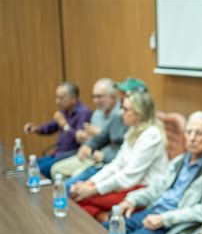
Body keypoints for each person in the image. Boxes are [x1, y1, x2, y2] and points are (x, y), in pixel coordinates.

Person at [103, 111, 202, 234]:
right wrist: (132, 199)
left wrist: (165, 219)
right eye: (189, 132)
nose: (192, 138)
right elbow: (157, 188)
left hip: (174, 225)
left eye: (199, 133)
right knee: (106, 230)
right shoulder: (181, 159)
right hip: (153, 212)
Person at [70, 91, 168, 222]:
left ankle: (108, 223)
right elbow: (117, 164)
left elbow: (129, 175)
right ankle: (106, 220)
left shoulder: (151, 135)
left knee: (81, 198)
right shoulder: (134, 129)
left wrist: (92, 190)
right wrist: (90, 183)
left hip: (142, 189)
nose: (121, 112)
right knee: (78, 195)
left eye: (126, 109)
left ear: (139, 113)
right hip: (127, 185)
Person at [56, 78, 148, 193]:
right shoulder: (120, 117)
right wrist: (88, 146)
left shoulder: (145, 131)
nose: (121, 98)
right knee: (67, 183)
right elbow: (103, 137)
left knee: (71, 188)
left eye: (126, 94)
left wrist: (93, 188)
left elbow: (127, 166)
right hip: (104, 162)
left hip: (114, 170)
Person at [50, 78, 121, 180]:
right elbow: (91, 140)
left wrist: (100, 133)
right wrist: (86, 144)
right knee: (56, 169)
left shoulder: (120, 115)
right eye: (94, 96)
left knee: (75, 177)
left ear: (112, 97)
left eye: (99, 97)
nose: (95, 101)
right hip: (90, 155)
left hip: (106, 158)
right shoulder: (97, 114)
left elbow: (121, 144)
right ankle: (61, 195)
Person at [23, 81, 92, 178]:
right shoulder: (64, 111)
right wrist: (36, 128)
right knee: (30, 164)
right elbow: (51, 126)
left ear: (74, 98)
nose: (57, 101)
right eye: (56, 97)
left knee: (39, 170)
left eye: (61, 98)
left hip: (71, 155)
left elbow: (79, 139)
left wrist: (64, 125)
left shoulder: (84, 113)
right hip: (58, 153)